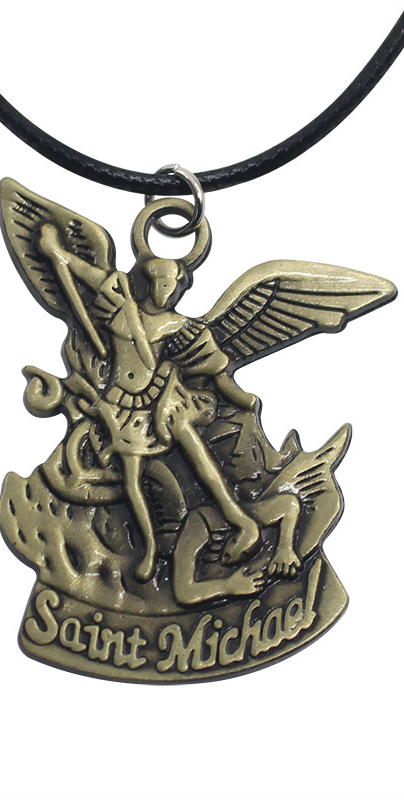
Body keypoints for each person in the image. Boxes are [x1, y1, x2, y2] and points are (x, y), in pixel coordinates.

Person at [37, 224, 261, 582]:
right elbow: (88, 275)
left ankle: (240, 519)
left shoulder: (177, 324)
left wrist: (236, 394)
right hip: (120, 405)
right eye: (161, 285)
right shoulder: (120, 304)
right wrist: (58, 253)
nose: (165, 293)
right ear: (150, 283)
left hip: (160, 397)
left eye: (172, 287)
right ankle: (150, 550)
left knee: (197, 453)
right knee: (132, 481)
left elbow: (212, 360)